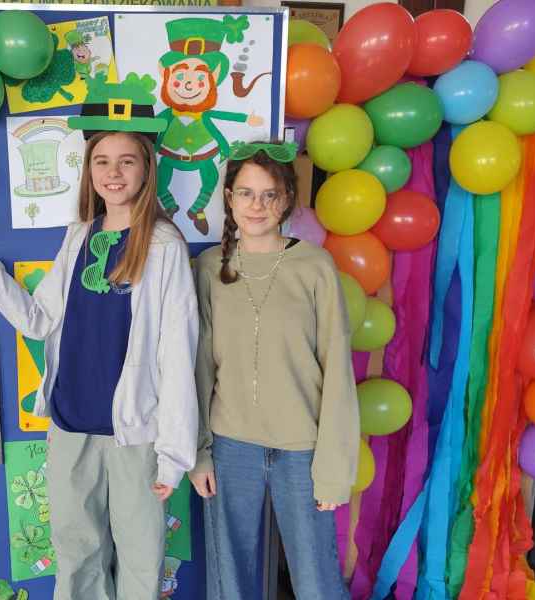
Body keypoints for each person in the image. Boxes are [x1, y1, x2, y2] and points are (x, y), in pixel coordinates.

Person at [0, 73, 198, 599]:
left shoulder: (164, 245)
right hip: (71, 421)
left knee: (141, 553)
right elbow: (40, 320)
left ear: (147, 167)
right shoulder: (79, 235)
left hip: (133, 430)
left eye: (127, 161)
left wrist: (175, 453)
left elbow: (178, 351)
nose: (113, 173)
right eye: (102, 161)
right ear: (88, 169)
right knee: (76, 551)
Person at [189, 141, 358, 599]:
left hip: (302, 449)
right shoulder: (210, 268)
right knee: (229, 583)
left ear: (287, 200)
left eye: (270, 195)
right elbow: (200, 369)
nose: (257, 205)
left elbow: (338, 371)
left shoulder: (315, 266)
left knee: (317, 581)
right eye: (246, 193)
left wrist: (334, 468)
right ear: (229, 198)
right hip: (230, 446)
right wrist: (200, 451)